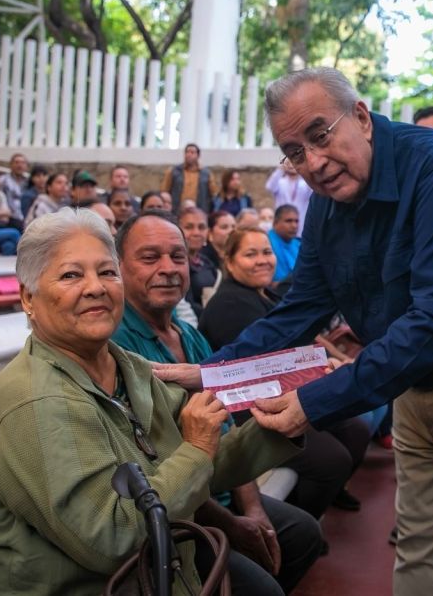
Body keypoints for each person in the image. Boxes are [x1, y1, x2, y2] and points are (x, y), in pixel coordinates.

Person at [193, 67, 433, 595]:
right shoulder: (325, 204)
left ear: (361, 117)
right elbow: (301, 309)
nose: (314, 163)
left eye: (320, 135)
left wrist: (311, 402)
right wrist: (208, 373)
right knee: (416, 544)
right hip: (411, 379)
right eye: (294, 152)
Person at [0, 208, 303, 595]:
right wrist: (196, 448)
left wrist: (291, 417)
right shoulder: (35, 401)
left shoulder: (128, 368)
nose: (96, 287)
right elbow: (111, 538)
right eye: (71, 275)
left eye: (107, 272)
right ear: (29, 297)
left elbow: (208, 460)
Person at [110, 211, 324, 595]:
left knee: (303, 534)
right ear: (119, 266)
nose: (168, 269)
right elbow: (154, 469)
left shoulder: (189, 336)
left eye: (177, 257)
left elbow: (225, 430)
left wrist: (253, 509)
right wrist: (231, 524)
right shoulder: (118, 348)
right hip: (176, 509)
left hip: (220, 488)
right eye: (150, 257)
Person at [198, 227, 371, 520]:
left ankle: (332, 492)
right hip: (252, 410)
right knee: (332, 460)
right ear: (229, 261)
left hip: (284, 393)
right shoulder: (230, 304)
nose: (262, 260)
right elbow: (260, 368)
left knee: (356, 430)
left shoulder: (264, 294)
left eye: (266, 252)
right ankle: (302, 520)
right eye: (250, 254)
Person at [179, 206, 219, 319]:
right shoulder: (175, 265)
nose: (196, 233)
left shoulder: (207, 262)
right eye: (189, 227)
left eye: (201, 227)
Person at [162, 142, 215, 215]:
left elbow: (213, 193)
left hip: (199, 211)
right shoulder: (174, 171)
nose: (189, 155)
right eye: (187, 152)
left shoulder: (206, 173)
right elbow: (164, 191)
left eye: (192, 152)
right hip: (177, 211)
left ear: (198, 155)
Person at [265, 163, 313, 237]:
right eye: (289, 163)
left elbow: (313, 187)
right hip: (282, 221)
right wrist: (281, 169)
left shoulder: (305, 184)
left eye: (294, 163)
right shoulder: (280, 182)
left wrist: (304, 169)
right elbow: (269, 187)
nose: (291, 165)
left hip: (300, 223)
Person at [267, 205, 301, 288]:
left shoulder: (299, 244)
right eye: (288, 221)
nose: (294, 226)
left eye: (296, 221)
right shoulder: (266, 243)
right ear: (275, 223)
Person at [0, 152, 30, 221]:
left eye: (23, 163)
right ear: (11, 165)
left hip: (25, 216)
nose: (19, 165)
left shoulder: (29, 182)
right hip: (8, 216)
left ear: (26, 166)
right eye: (16, 162)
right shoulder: (3, 180)